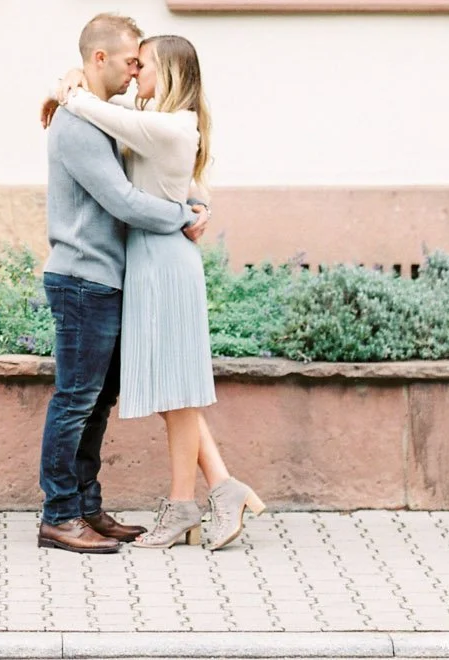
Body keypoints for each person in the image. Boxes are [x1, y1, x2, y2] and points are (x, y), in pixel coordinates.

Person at [55, 33, 266, 551]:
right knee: (173, 389)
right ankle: (216, 489)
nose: (134, 75)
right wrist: (199, 204)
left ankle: (185, 505)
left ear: (166, 73)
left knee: (176, 388)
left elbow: (90, 107)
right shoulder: (160, 125)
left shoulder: (168, 125)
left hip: (163, 261)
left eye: (142, 66)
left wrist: (68, 87)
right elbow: (181, 184)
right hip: (149, 260)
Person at [37, 13, 207, 555]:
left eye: (143, 63)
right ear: (101, 59)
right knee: (75, 400)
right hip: (82, 279)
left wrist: (195, 199)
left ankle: (86, 507)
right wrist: (181, 215)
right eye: (131, 60)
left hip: (106, 280)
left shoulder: (102, 113)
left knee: (96, 401)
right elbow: (124, 201)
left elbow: (159, 160)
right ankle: (59, 514)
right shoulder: (79, 123)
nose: (136, 72)